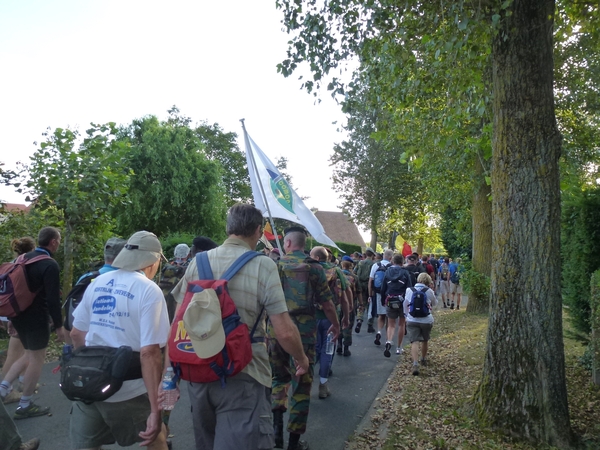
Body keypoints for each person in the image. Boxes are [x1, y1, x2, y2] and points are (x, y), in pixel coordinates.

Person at [170, 205, 310, 450]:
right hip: (245, 371)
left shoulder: (198, 262)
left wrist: (170, 376)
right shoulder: (263, 265)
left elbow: (178, 322)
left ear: (228, 228)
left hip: (199, 369)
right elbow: (284, 330)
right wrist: (301, 358)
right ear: (258, 230)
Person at [69, 231, 170, 450]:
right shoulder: (148, 290)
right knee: (154, 438)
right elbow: (149, 353)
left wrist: (85, 366)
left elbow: (76, 334)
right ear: (153, 261)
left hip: (89, 386)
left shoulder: (97, 282)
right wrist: (155, 409)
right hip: (128, 389)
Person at [271, 227, 339, 450]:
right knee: (301, 386)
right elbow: (327, 303)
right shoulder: (315, 268)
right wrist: (336, 324)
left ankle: (276, 434)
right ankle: (293, 442)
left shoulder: (275, 265)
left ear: (287, 243)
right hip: (304, 334)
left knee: (278, 380)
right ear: (303, 244)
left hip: (276, 331)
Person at [0, 227, 66, 418]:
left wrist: (11, 317)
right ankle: (25, 405)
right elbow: (53, 299)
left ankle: (3, 390)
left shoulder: (22, 259)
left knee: (28, 355)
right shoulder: (49, 264)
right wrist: (59, 325)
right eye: (59, 240)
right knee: (37, 359)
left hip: (18, 315)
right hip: (37, 318)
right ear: (53, 242)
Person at [309, 246, 349, 400]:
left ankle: (305, 382)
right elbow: (344, 297)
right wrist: (345, 316)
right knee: (327, 350)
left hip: (311, 316)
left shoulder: (309, 269)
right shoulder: (336, 271)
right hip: (331, 318)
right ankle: (323, 384)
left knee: (313, 350)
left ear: (317, 257)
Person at [1, 237, 36, 405]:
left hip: (9, 313)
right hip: (19, 315)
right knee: (15, 354)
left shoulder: (10, 265)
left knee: (21, 352)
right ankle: (6, 390)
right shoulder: (25, 266)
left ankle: (23, 382)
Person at [404, 273, 438, 375]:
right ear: (428, 282)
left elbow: (405, 303)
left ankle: (415, 363)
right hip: (426, 320)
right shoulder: (429, 291)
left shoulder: (409, 290)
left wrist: (406, 316)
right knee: (424, 340)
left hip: (412, 319)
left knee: (414, 341)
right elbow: (435, 303)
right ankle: (423, 359)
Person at [380, 254, 412, 357]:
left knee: (391, 324)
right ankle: (399, 347)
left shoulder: (387, 272)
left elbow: (383, 288)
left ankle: (389, 341)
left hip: (390, 299)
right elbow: (409, 289)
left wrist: (382, 300)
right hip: (402, 302)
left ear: (393, 261)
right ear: (402, 262)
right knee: (401, 324)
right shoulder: (405, 273)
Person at [369, 249, 393, 347]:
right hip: (389, 294)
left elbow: (370, 280)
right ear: (391, 257)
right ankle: (388, 339)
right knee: (388, 317)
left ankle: (379, 332)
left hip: (379, 294)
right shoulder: (392, 267)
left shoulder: (376, 265)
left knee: (381, 315)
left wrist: (370, 294)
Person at [355, 248, 375, 333]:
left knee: (361, 303)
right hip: (369, 285)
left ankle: (359, 319)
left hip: (360, 285)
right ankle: (370, 325)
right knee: (371, 305)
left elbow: (355, 272)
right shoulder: (374, 264)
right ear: (372, 255)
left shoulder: (360, 263)